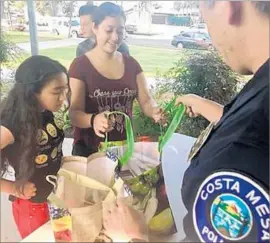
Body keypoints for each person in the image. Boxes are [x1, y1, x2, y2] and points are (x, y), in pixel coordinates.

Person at [103, 1, 269, 242]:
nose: (211, 35)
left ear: (227, 6)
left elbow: (248, 137)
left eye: (205, 20)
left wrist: (134, 236)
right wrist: (203, 105)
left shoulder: (243, 149)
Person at [69, 2, 162, 157]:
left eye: (120, 30)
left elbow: (146, 101)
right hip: (89, 151)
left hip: (124, 150)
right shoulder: (80, 66)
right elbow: (74, 113)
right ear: (95, 28)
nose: (115, 37)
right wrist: (93, 120)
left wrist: (154, 111)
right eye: (109, 30)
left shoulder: (132, 64)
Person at [0, 56, 69, 239]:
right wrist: (12, 187)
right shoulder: (12, 125)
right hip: (33, 207)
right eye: (57, 91)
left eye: (65, 90)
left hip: (55, 199)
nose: (63, 98)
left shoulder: (44, 111)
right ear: (33, 92)